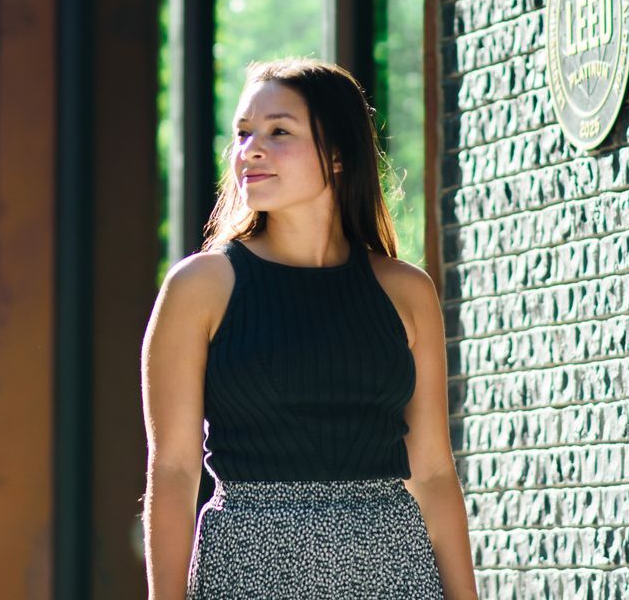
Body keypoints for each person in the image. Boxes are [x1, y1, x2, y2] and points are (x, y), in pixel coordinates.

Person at [140, 57, 479, 599]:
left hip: (393, 570)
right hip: (250, 570)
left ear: (339, 155)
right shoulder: (201, 286)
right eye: (244, 133)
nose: (249, 149)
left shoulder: (405, 291)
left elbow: (434, 473)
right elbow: (176, 469)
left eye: (279, 132)